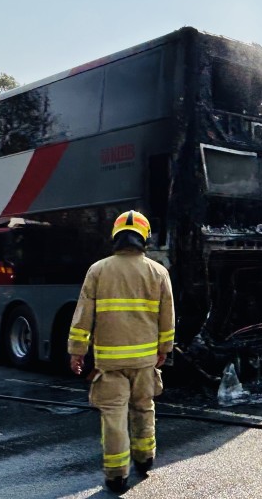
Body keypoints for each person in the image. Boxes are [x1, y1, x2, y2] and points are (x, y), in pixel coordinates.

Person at [68, 210, 176, 493]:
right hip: (144, 360)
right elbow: (167, 318)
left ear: (116, 236)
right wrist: (164, 349)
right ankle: (145, 458)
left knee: (113, 416)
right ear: (144, 238)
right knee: (143, 407)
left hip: (109, 362)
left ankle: (116, 475)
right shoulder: (158, 272)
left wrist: (77, 351)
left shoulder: (98, 270)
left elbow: (83, 316)